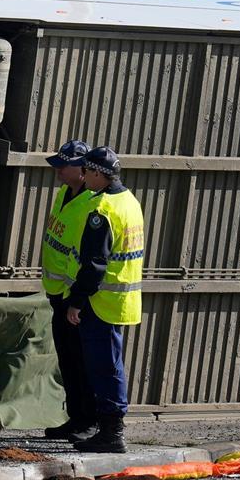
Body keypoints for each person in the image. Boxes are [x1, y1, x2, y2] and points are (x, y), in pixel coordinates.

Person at [65, 146, 144, 454]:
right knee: (109, 364)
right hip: (120, 299)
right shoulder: (130, 201)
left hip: (102, 302)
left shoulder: (103, 211)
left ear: (98, 173)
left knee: (105, 367)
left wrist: (77, 300)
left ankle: (112, 432)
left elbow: (95, 263)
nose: (83, 178)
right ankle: (109, 429)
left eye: (86, 172)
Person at [39, 139, 100, 443]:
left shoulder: (93, 203)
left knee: (82, 361)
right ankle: (76, 417)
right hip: (58, 293)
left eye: (65, 165)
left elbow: (91, 257)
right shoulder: (65, 192)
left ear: (84, 169)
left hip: (77, 297)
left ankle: (89, 421)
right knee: (68, 361)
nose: (59, 170)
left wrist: (76, 297)